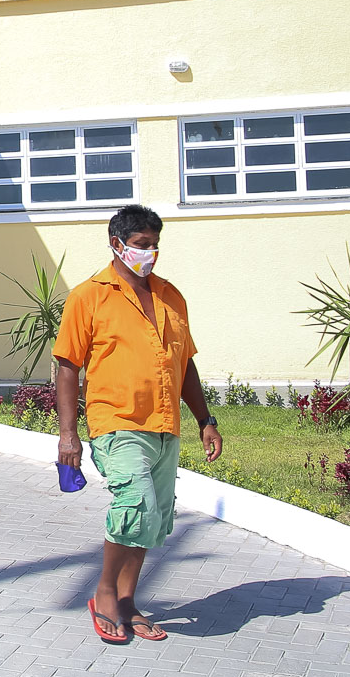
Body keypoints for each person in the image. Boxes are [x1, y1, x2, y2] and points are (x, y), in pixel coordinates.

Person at [52, 204, 223, 645]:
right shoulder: (88, 296)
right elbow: (67, 366)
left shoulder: (171, 296)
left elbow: (185, 364)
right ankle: (105, 594)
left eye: (155, 245)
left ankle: (128, 601)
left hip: (164, 423)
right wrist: (67, 435)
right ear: (117, 244)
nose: (150, 253)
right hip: (116, 420)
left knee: (154, 519)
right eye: (142, 245)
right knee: (137, 503)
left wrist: (206, 420)